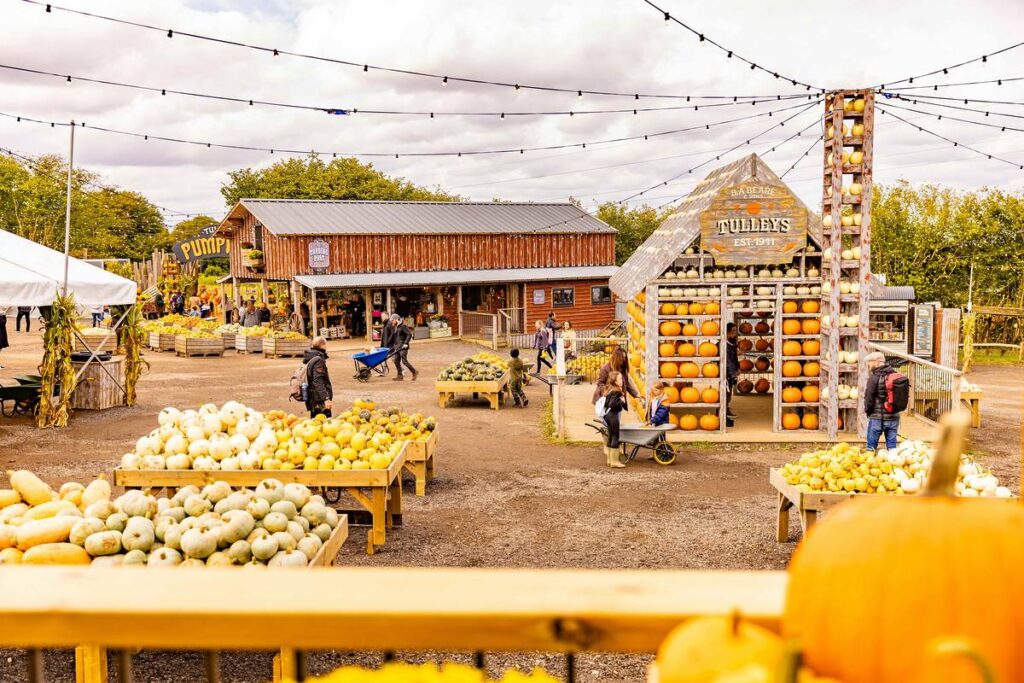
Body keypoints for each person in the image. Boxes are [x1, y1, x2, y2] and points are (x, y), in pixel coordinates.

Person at [864, 351, 902, 451]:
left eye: (870, 362)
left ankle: (870, 465)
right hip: (893, 417)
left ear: (877, 362)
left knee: (870, 449)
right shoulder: (894, 375)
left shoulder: (874, 378)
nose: (868, 364)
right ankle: (893, 465)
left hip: (877, 418)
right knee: (892, 449)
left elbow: (869, 399)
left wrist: (868, 412)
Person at [601, 371, 627, 468]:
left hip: (608, 415)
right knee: (615, 436)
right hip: (613, 416)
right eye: (620, 379)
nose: (622, 381)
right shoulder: (616, 391)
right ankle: (615, 461)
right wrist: (621, 401)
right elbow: (613, 404)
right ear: (615, 381)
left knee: (611, 436)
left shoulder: (610, 389)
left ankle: (610, 459)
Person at [302, 336, 333, 418]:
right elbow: (318, 380)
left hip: (313, 397)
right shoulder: (318, 359)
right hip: (318, 400)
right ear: (323, 345)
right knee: (323, 424)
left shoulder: (311, 356)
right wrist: (325, 398)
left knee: (315, 423)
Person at [382, 314, 417, 381]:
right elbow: (395, 337)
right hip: (397, 347)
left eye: (392, 320)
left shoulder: (403, 326)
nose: (392, 322)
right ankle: (400, 376)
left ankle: (414, 372)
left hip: (403, 347)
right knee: (396, 361)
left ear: (396, 319)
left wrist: (406, 343)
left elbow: (409, 334)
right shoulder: (396, 327)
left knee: (404, 361)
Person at [725, 323, 740, 424]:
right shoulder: (724, 345)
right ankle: (723, 415)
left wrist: (737, 367)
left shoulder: (731, 344)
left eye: (735, 331)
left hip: (730, 372)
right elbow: (728, 361)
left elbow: (734, 359)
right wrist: (732, 374)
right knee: (725, 394)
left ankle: (726, 411)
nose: (735, 334)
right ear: (727, 332)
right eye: (733, 331)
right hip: (726, 373)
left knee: (729, 394)